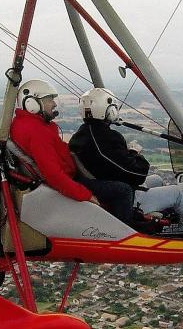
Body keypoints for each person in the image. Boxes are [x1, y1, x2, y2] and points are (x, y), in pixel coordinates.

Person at [69, 88, 183, 237]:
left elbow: (111, 165)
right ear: (109, 110)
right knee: (178, 194)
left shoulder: (81, 135)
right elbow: (137, 174)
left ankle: (174, 222)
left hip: (104, 187)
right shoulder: (105, 138)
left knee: (157, 180)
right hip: (122, 198)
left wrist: (127, 155)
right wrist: (135, 154)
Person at [8, 79, 134, 224]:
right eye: (49, 100)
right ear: (32, 104)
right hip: (68, 182)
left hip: (67, 179)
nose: (54, 104)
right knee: (123, 190)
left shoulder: (23, 123)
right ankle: (124, 235)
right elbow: (54, 175)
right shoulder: (37, 132)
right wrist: (86, 195)